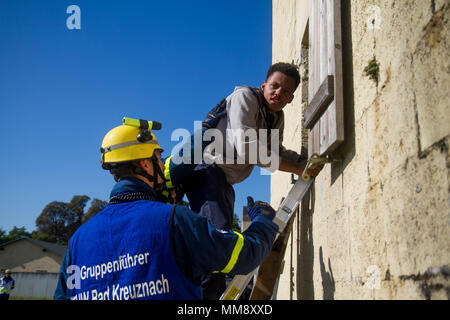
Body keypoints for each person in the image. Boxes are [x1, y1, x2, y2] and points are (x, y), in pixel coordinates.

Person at [53, 120, 279, 300]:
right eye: (159, 157)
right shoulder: (175, 222)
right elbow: (245, 255)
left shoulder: (78, 241)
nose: (163, 165)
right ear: (144, 164)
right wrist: (264, 220)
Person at [164, 62, 323, 299]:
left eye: (287, 91)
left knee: (221, 237)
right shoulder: (244, 97)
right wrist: (297, 167)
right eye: (275, 86)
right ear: (264, 86)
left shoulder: (276, 118)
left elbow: (275, 151)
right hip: (207, 170)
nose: (279, 93)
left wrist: (302, 161)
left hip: (224, 181)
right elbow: (247, 147)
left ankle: (209, 291)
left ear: (291, 99)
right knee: (216, 243)